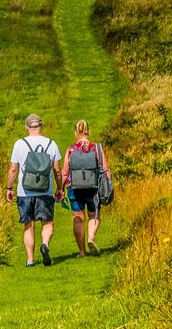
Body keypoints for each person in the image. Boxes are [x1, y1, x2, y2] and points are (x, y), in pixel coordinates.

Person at [7, 113, 62, 267]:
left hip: (25, 191)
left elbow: (13, 169)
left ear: (27, 127)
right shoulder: (51, 144)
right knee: (47, 222)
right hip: (45, 191)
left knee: (28, 225)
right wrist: (59, 188)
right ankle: (45, 244)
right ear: (41, 126)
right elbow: (57, 170)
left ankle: (30, 260)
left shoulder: (19, 144)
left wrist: (9, 188)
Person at [62, 120, 113, 256]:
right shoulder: (96, 148)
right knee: (93, 215)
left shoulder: (71, 149)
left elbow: (65, 172)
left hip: (75, 188)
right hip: (93, 187)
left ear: (75, 133)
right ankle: (91, 238)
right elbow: (105, 169)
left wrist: (61, 188)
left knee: (78, 217)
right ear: (88, 131)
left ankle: (82, 251)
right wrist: (108, 186)